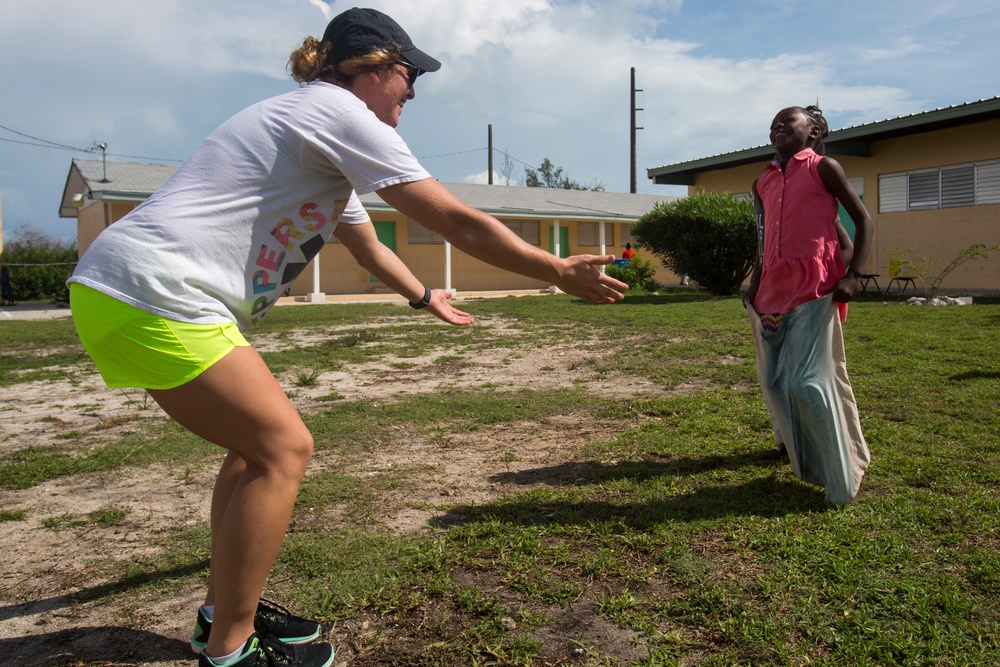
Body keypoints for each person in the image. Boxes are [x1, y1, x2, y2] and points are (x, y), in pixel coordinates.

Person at [67, 8, 627, 667]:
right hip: (155, 292)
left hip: (132, 289)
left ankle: (226, 612)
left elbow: (367, 248)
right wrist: (555, 269)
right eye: (409, 73)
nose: (414, 91)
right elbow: (453, 218)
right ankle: (229, 652)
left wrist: (424, 294)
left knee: (253, 452)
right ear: (373, 69)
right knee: (283, 448)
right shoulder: (336, 114)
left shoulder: (318, 137)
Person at [743, 105, 872, 506]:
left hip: (814, 292)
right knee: (774, 383)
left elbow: (864, 221)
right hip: (769, 295)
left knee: (808, 383)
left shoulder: (823, 168)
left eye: (788, 122)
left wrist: (851, 276)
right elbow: (767, 241)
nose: (778, 128)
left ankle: (842, 476)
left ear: (813, 131)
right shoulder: (762, 182)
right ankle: (796, 451)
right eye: (773, 125)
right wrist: (756, 279)